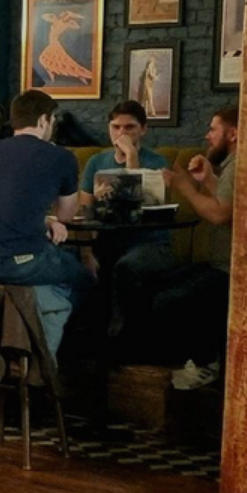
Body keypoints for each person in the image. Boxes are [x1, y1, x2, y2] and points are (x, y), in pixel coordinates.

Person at [0, 90, 91, 355]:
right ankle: (49, 356)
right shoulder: (61, 157)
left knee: (49, 274)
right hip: (22, 262)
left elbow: (2, 204)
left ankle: (8, 343)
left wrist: (44, 220)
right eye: (52, 120)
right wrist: (53, 219)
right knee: (82, 278)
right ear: (43, 120)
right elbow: (66, 215)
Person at [154, 106, 239, 389]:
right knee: (158, 284)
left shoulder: (238, 164)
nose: (207, 135)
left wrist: (185, 186)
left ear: (233, 134)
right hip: (220, 265)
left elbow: (220, 215)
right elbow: (230, 205)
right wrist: (208, 180)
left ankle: (206, 364)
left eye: (213, 129)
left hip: (230, 271)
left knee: (168, 300)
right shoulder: (233, 164)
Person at [81, 100, 176, 328]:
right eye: (116, 127)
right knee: (75, 262)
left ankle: (121, 335)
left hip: (149, 242)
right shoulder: (96, 162)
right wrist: (86, 253)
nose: (121, 133)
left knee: (126, 266)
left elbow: (137, 209)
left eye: (129, 127)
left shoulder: (157, 162)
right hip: (107, 240)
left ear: (143, 129)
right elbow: (85, 212)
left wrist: (131, 155)